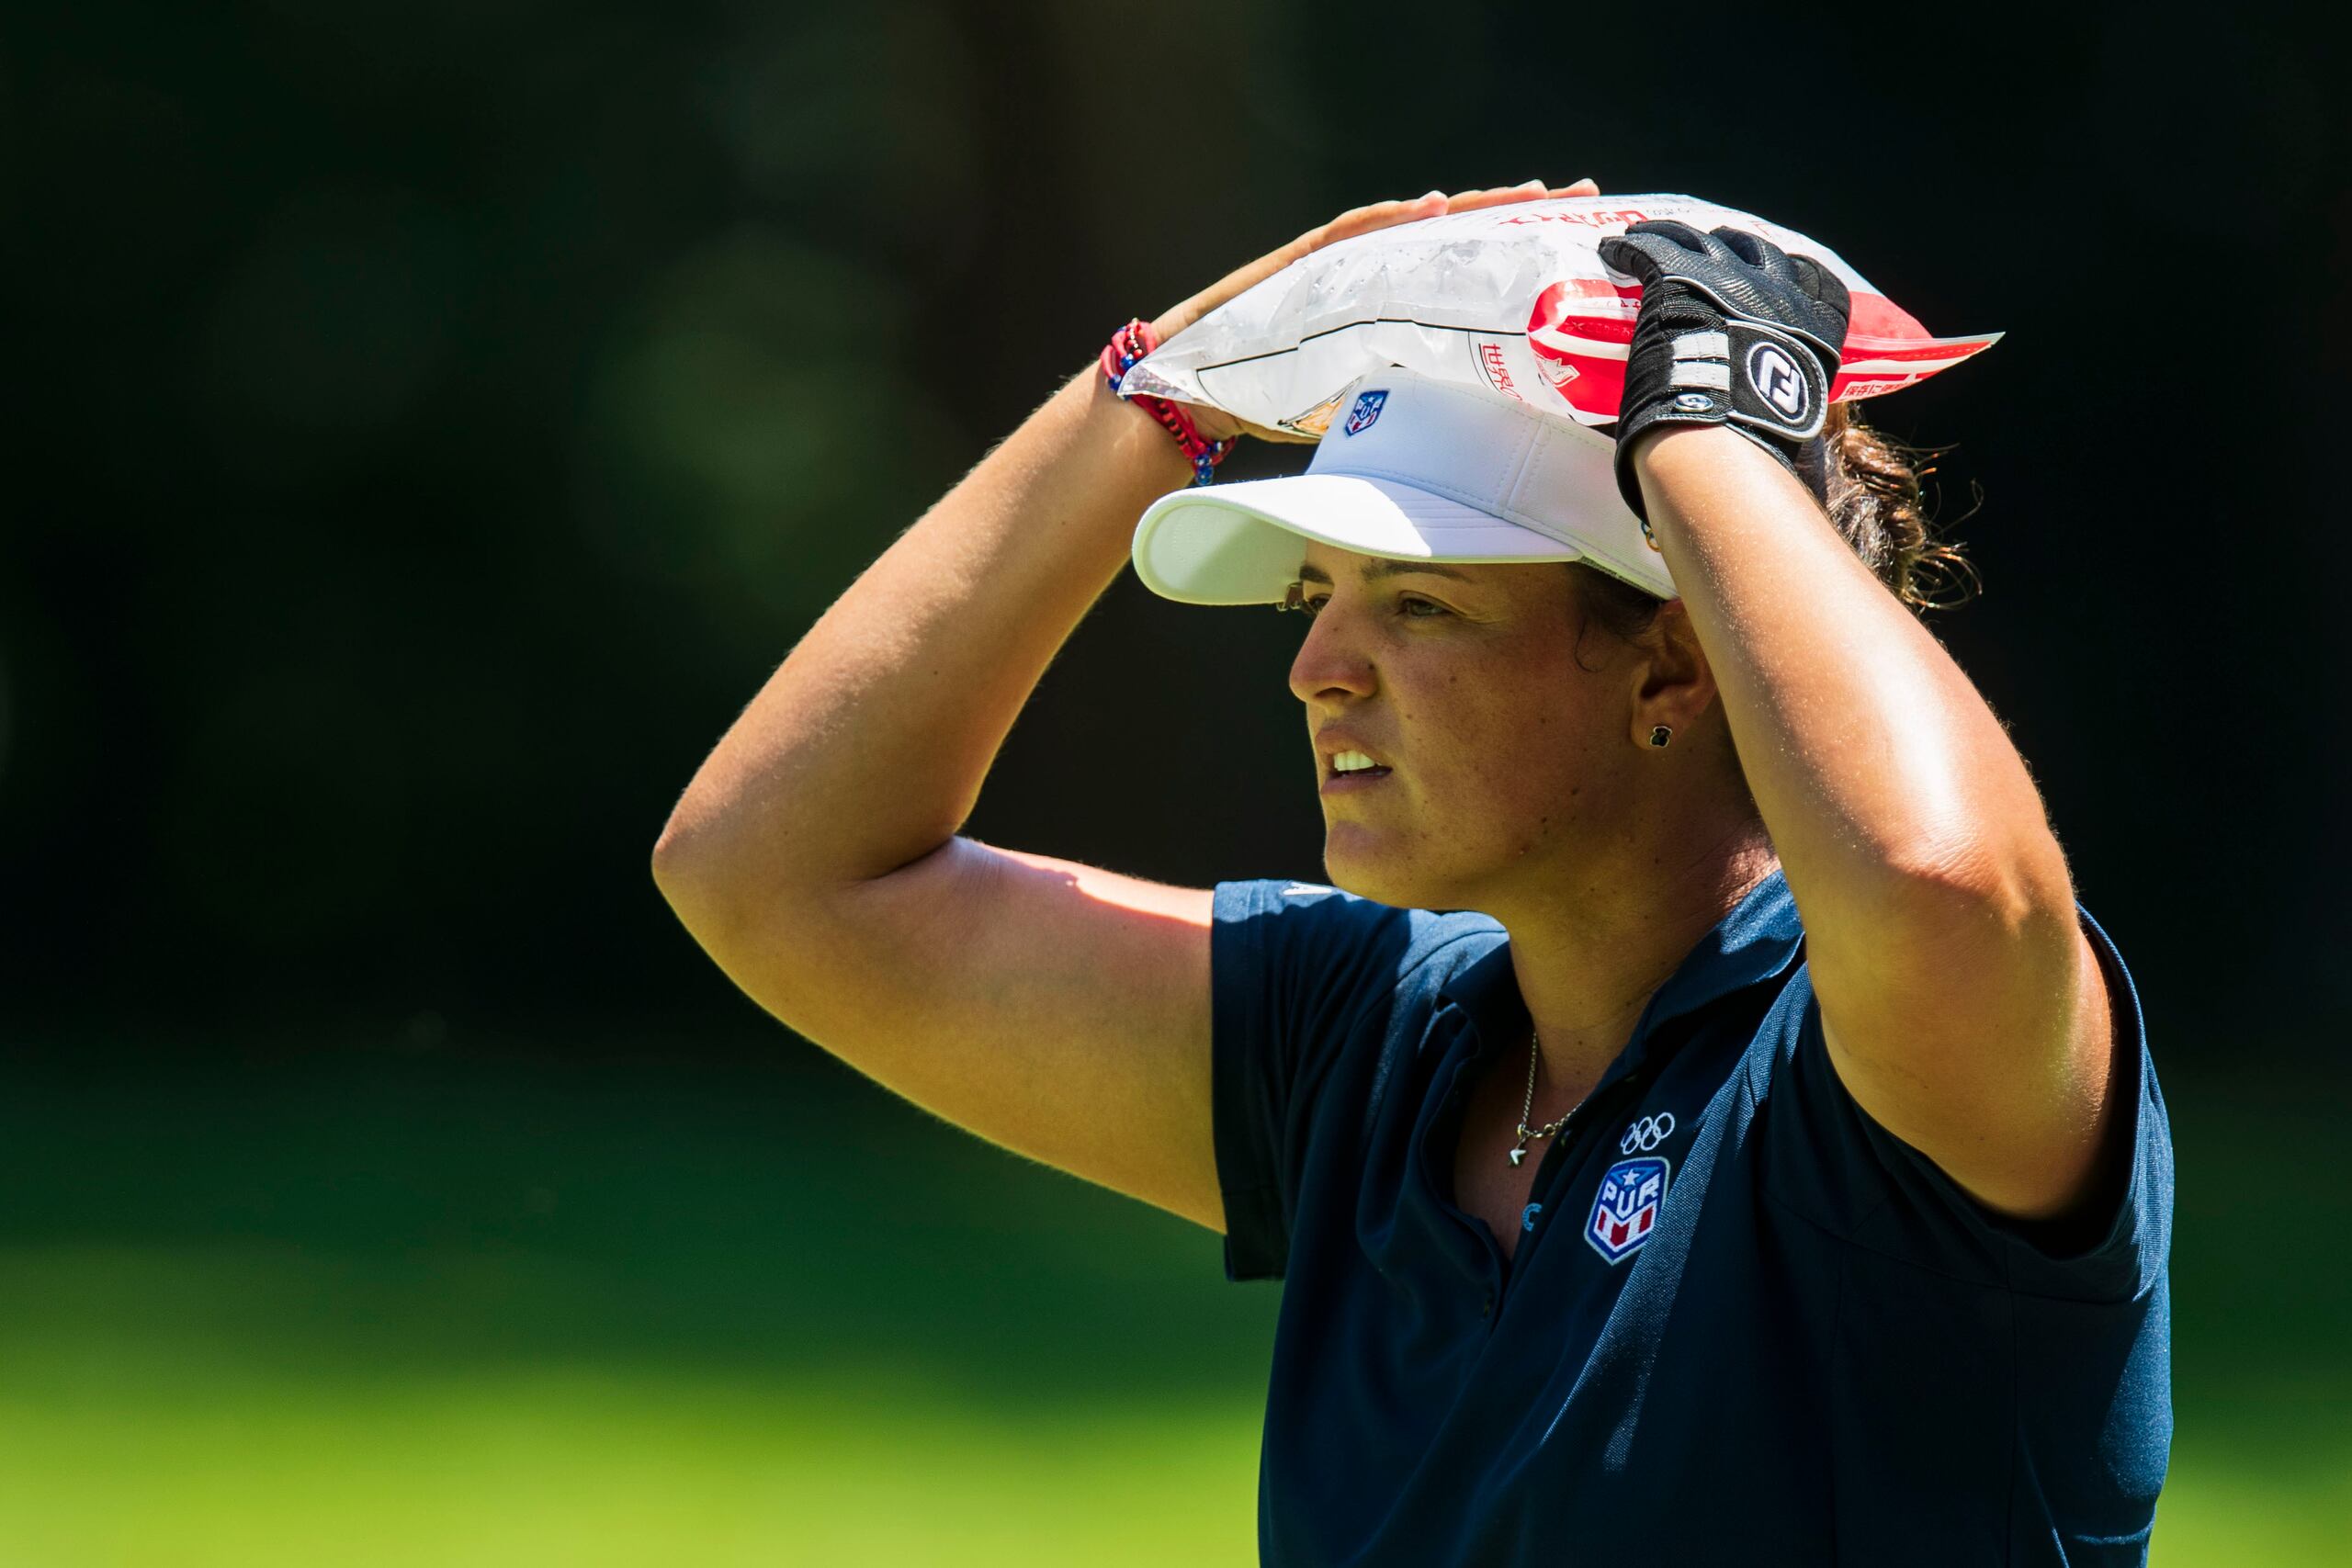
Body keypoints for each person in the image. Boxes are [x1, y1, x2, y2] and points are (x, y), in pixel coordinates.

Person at [651, 181, 2172, 1565]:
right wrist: (1164, 388)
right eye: (1321, 595)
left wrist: (1700, 426)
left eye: (1422, 604)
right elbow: (773, 872)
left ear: (1675, 663)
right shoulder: (1368, 1039)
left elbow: (1939, 880)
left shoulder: (1881, 1056)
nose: (1316, 666)